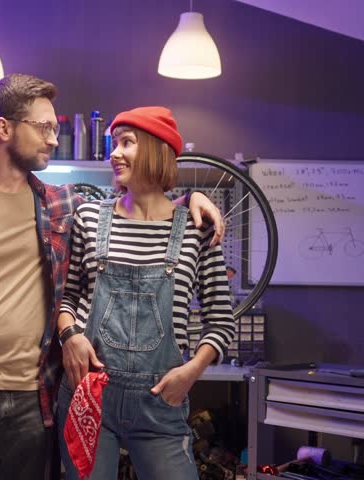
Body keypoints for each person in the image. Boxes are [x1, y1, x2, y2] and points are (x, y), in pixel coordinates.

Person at [0, 75, 225, 480]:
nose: (53, 139)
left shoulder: (61, 205)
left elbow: (142, 209)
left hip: (34, 405)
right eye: (44, 127)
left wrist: (190, 199)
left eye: (55, 129)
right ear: (4, 128)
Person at [57, 106, 237, 479]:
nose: (114, 152)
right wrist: (69, 335)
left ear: (156, 150)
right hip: (89, 395)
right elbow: (68, 297)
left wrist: (191, 372)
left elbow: (221, 320)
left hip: (161, 402)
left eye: (127, 143)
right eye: (113, 142)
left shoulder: (196, 229)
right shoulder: (89, 218)